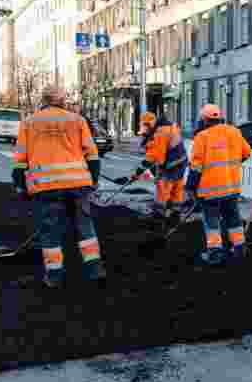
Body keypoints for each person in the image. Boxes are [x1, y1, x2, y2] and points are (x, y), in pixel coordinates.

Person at [11, 85, 105, 288]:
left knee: (50, 230)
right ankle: (94, 268)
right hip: (78, 183)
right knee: (84, 226)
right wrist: (94, 180)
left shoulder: (29, 122)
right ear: (63, 101)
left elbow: (19, 160)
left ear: (43, 101)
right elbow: (92, 154)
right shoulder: (77, 120)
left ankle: (54, 276)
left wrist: (20, 185)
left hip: (46, 187)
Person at [186, 104, 252, 267]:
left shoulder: (202, 136)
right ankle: (239, 247)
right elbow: (247, 152)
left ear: (205, 119)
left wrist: (190, 186)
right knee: (233, 218)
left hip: (210, 191)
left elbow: (196, 166)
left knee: (212, 222)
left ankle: (215, 253)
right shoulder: (234, 132)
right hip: (231, 188)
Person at [123, 111, 188, 227]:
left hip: (171, 166)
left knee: (162, 192)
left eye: (145, 127)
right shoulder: (168, 127)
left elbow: (155, 158)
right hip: (180, 163)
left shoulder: (160, 132)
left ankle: (158, 219)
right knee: (177, 191)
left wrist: (137, 173)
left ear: (149, 124)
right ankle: (175, 217)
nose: (145, 131)